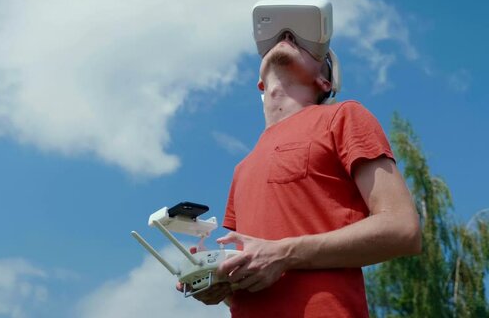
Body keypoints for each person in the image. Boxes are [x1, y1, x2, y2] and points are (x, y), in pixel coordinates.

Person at [180, 30, 421, 317]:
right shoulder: (241, 169)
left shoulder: (344, 117)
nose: (287, 36)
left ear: (324, 80)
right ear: (260, 82)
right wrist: (217, 284)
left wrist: (284, 254)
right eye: (281, 36)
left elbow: (403, 228)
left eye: (303, 42)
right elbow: (254, 274)